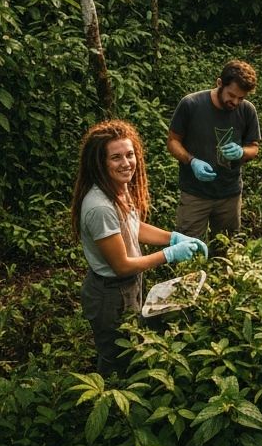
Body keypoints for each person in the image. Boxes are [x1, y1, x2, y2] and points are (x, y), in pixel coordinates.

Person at [72, 118, 208, 376]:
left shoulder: (119, 188)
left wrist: (173, 237)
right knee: (116, 357)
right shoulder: (100, 206)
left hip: (127, 284)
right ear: (100, 162)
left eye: (130, 154)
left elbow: (133, 227)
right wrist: (169, 255)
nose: (126, 163)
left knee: (131, 344)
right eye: (115, 158)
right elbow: (121, 265)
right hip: (110, 293)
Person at [166, 60, 261, 241]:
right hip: (195, 192)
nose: (235, 102)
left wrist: (242, 152)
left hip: (229, 193)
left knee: (226, 248)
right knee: (188, 247)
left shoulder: (247, 110)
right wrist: (191, 161)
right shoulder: (191, 104)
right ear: (219, 83)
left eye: (241, 98)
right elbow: (173, 141)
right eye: (231, 95)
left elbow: (254, 147)